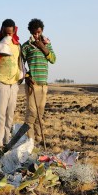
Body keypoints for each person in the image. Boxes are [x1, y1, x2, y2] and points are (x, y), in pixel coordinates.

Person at [0, 19, 25, 151]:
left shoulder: (17, 45)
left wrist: (21, 74)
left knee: (10, 115)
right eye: (6, 32)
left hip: (13, 84)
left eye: (10, 32)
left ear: (14, 30)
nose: (8, 35)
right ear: (2, 30)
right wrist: (2, 45)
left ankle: (7, 143)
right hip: (1, 83)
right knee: (1, 115)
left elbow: (20, 62)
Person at [21, 18, 56, 146]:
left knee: (40, 113)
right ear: (30, 32)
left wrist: (42, 47)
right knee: (32, 113)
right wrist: (27, 76)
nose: (36, 35)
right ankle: (29, 141)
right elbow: (21, 65)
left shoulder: (47, 43)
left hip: (44, 84)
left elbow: (53, 59)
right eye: (34, 33)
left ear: (42, 31)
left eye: (39, 32)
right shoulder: (26, 46)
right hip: (33, 84)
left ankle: (39, 140)